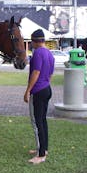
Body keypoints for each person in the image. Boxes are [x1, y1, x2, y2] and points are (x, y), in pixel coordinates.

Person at [23, 29, 54, 165]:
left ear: (35, 41)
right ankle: (44, 148)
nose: (31, 45)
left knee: (37, 121)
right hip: (47, 89)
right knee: (43, 120)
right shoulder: (49, 54)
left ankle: (41, 155)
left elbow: (36, 72)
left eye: (32, 42)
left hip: (38, 91)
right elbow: (50, 74)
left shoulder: (37, 54)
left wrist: (28, 90)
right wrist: (46, 84)